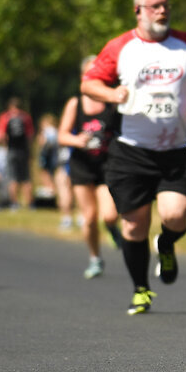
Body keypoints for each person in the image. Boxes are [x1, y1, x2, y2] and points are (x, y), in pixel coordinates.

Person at [81, 0, 186, 315]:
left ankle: (166, 244)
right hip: (131, 150)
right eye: (155, 6)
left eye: (166, 5)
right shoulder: (120, 46)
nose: (162, 11)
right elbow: (89, 83)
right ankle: (141, 289)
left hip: (177, 147)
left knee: (176, 215)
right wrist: (115, 95)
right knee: (133, 226)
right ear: (138, 11)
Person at [59, 57, 123, 279]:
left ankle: (113, 230)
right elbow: (62, 135)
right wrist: (77, 141)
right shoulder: (75, 104)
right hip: (82, 166)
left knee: (110, 215)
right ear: (83, 78)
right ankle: (95, 258)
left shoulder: (112, 101)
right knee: (89, 217)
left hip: (107, 165)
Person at [0, 97, 35, 210]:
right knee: (26, 178)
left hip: (11, 150)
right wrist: (30, 150)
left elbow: (3, 135)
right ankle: (30, 203)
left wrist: (5, 147)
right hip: (24, 150)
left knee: (12, 177)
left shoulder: (4, 117)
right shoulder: (26, 117)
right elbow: (30, 136)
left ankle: (14, 203)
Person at [36, 113, 61, 194]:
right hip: (56, 156)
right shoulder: (56, 130)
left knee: (45, 173)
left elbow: (42, 142)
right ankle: (55, 190)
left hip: (46, 155)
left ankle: (50, 190)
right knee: (54, 174)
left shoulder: (46, 131)